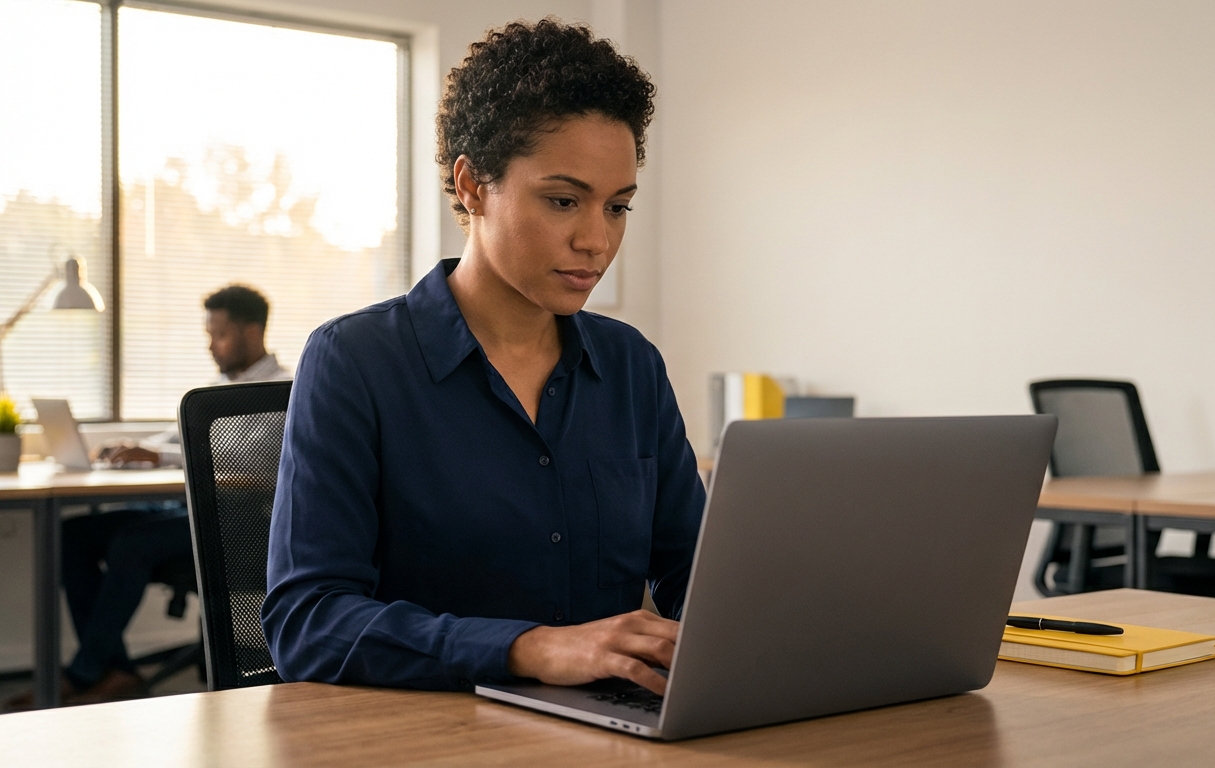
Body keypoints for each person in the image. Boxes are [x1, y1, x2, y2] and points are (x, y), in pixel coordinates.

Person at [263, 19, 704, 697]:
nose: (597, 239)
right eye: (564, 201)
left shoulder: (632, 367)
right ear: (472, 185)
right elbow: (308, 623)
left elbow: (697, 581)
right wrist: (529, 649)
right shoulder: (355, 362)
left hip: (612, 736)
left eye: (618, 207)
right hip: (433, 736)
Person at [4, 285, 289, 710]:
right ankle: (115, 670)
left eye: (220, 335)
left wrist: (156, 453)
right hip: (188, 508)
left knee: (131, 543)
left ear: (252, 331)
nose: (211, 345)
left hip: (238, 522)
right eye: (208, 334)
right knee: (73, 535)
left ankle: (83, 675)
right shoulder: (221, 383)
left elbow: (249, 462)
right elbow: (180, 436)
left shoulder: (280, 389)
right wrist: (132, 445)